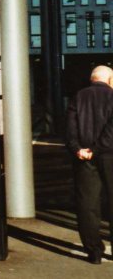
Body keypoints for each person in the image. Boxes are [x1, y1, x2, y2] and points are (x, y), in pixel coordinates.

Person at [65, 65, 113, 265]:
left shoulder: (78, 96)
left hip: (84, 157)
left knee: (87, 204)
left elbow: (69, 127)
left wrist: (78, 148)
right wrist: (97, 148)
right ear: (109, 80)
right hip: (109, 154)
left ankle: (94, 251)